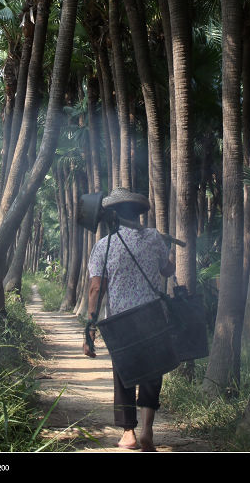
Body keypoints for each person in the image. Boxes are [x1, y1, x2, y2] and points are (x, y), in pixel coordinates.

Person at [84, 188, 175, 452]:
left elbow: (95, 288)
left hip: (120, 320)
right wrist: (165, 251)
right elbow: (168, 270)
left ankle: (129, 433)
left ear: (113, 215)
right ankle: (148, 429)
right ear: (138, 214)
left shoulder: (104, 246)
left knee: (125, 374)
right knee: (151, 372)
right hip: (152, 316)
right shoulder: (154, 238)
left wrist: (90, 328)